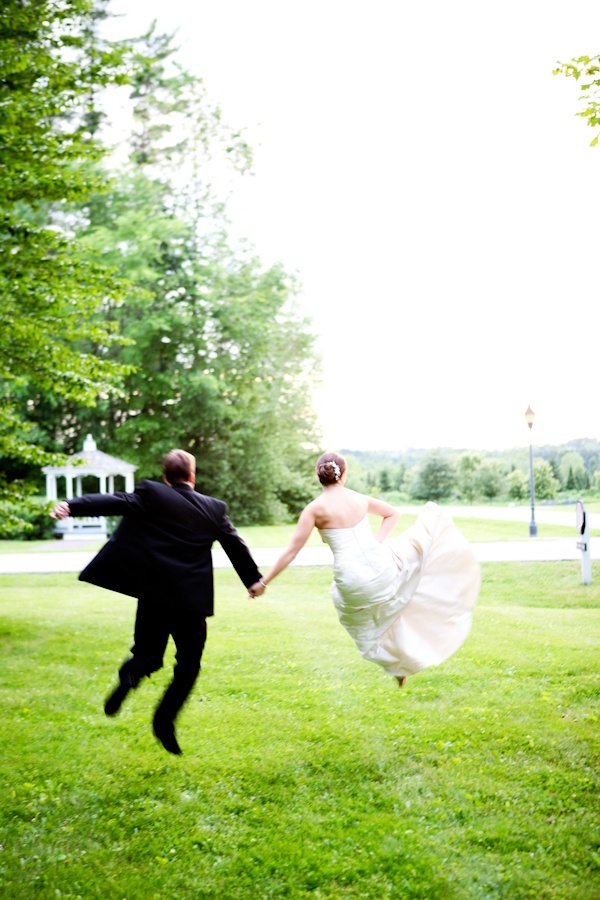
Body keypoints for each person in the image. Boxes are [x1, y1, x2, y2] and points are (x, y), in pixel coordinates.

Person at [51, 449, 265, 755]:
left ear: (165, 478)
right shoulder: (214, 509)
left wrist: (71, 505)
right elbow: (235, 544)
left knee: (148, 657)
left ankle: (129, 676)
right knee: (189, 665)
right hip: (191, 604)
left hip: (153, 598)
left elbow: (116, 501)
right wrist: (253, 581)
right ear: (193, 475)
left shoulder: (153, 495)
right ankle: (165, 720)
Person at [253, 452, 480, 687]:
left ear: (319, 474)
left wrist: (264, 582)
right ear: (344, 474)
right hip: (382, 569)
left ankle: (396, 664)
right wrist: (377, 542)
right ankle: (405, 658)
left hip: (352, 582)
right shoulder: (359, 499)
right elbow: (393, 513)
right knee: (405, 591)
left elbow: (291, 552)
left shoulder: (314, 509)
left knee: (368, 623)